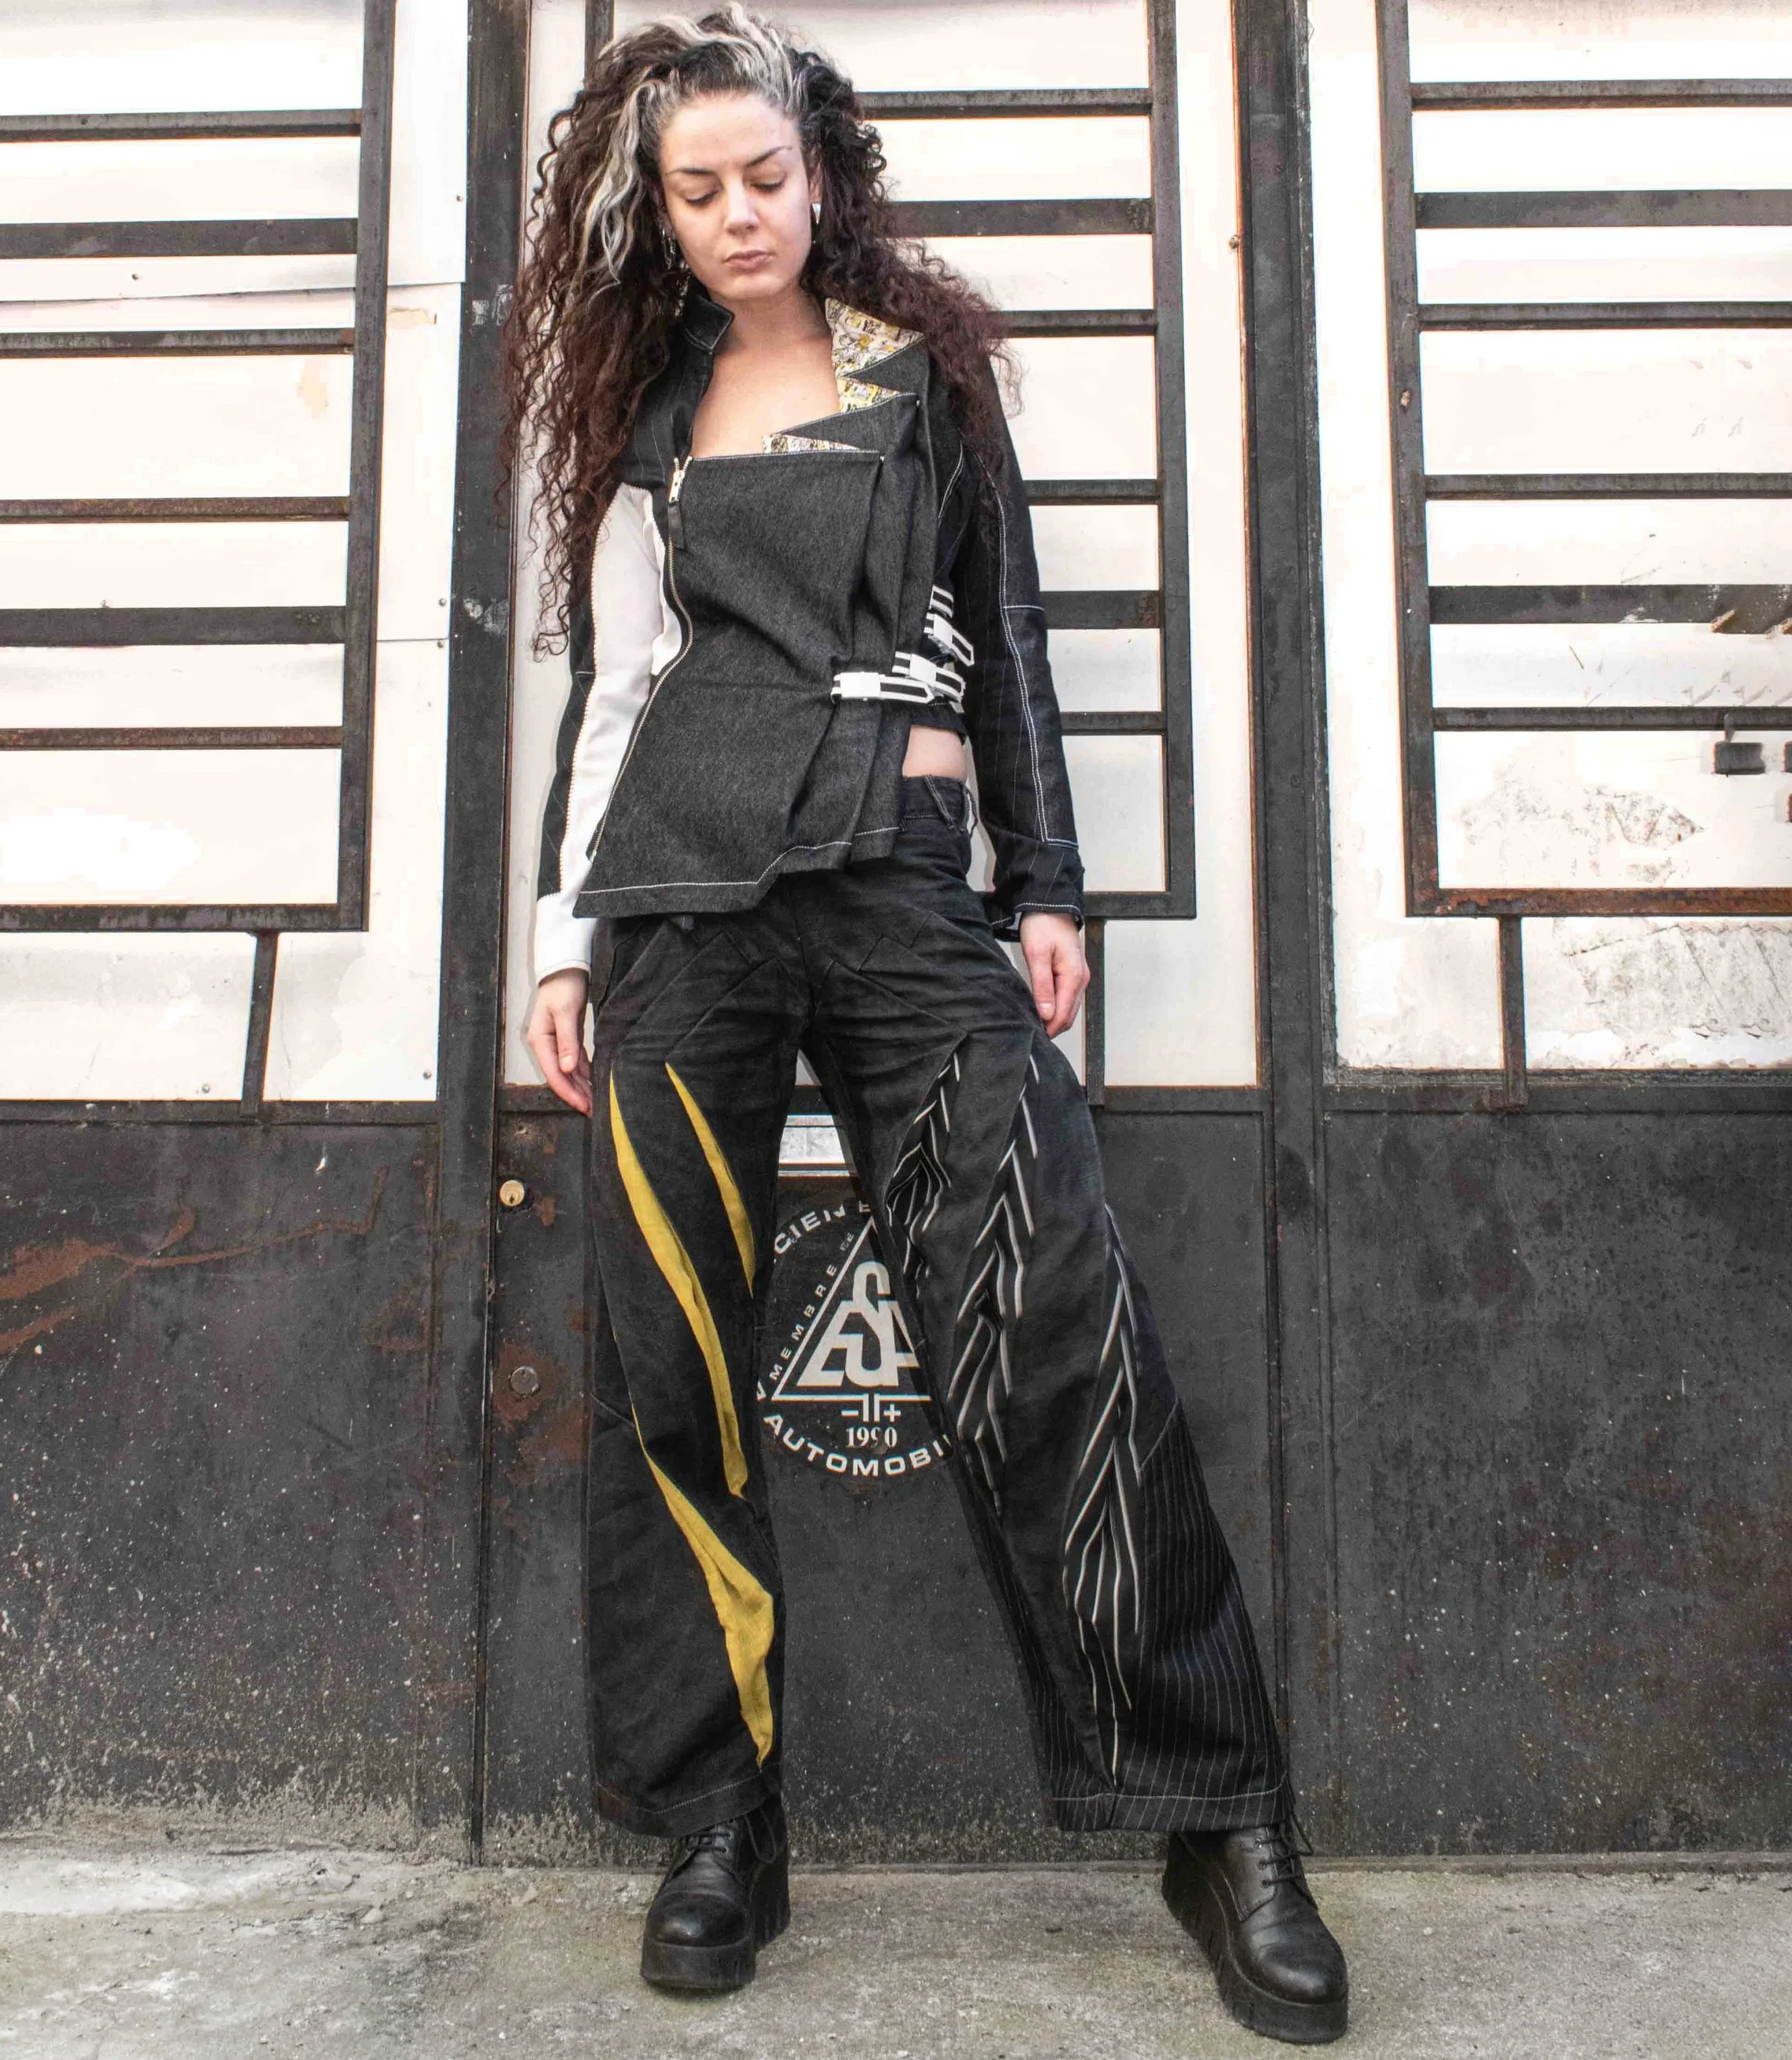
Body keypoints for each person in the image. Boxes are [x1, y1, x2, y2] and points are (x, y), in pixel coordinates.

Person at [503, 7, 1348, 2044]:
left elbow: (1016, 629)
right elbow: (614, 688)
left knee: (1054, 1325)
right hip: (678, 907)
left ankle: (1212, 1813)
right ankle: (718, 1815)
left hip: (895, 881)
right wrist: (555, 935)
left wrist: (1041, 882)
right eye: (694, 190)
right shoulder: (649, 395)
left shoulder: (922, 372)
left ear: (823, 169)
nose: (732, 219)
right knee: (673, 1362)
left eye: (760, 179)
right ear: (656, 199)